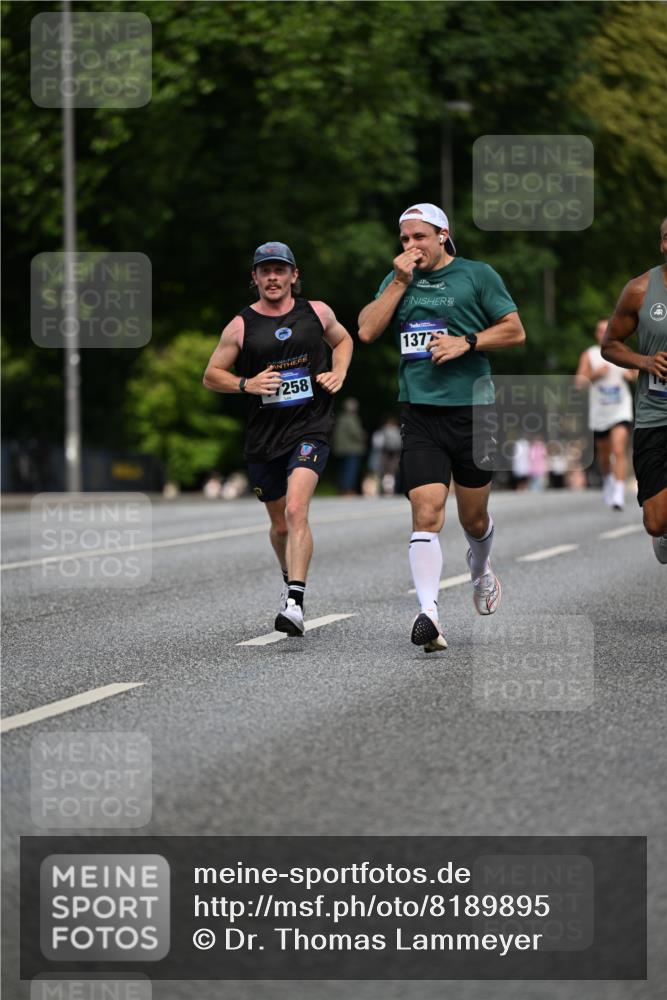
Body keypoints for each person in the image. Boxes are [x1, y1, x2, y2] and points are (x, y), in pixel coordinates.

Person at [358, 203, 525, 651]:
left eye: (419, 238)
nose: (411, 247)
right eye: (405, 240)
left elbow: (514, 331)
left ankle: (480, 569)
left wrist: (466, 342)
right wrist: (397, 281)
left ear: (442, 235)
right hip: (420, 413)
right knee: (426, 513)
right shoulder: (399, 281)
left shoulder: (477, 274)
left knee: (474, 518)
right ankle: (428, 614)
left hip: (473, 411)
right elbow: (368, 331)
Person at [203, 241, 353, 632]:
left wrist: (338, 372)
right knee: (280, 526)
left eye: (280, 270)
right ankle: (291, 583)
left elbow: (344, 340)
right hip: (264, 437)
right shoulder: (240, 325)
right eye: (265, 271)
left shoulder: (316, 312)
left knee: (295, 510)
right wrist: (245, 383)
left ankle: (295, 603)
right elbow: (211, 375)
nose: (273, 277)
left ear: (294, 275)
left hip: (311, 426)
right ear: (254, 278)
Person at [601, 218, 667, 563]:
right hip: (654, 415)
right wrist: (644, 362)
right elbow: (609, 345)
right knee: (656, 522)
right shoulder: (640, 289)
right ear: (662, 244)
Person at [575, 318, 635, 510]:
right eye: (600, 330)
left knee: (619, 449)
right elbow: (579, 383)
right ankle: (609, 480)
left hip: (621, 409)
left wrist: (630, 375)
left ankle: (618, 492)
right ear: (596, 334)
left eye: (607, 329)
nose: (604, 333)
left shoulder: (623, 351)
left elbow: (638, 374)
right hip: (600, 412)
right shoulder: (590, 355)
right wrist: (595, 374)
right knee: (604, 455)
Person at [332, 397, 367, 494]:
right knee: (350, 471)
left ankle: (341, 489)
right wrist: (363, 436)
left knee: (342, 470)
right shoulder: (352, 418)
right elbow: (355, 433)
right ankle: (348, 490)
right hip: (352, 449)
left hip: (340, 448)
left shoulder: (341, 417)